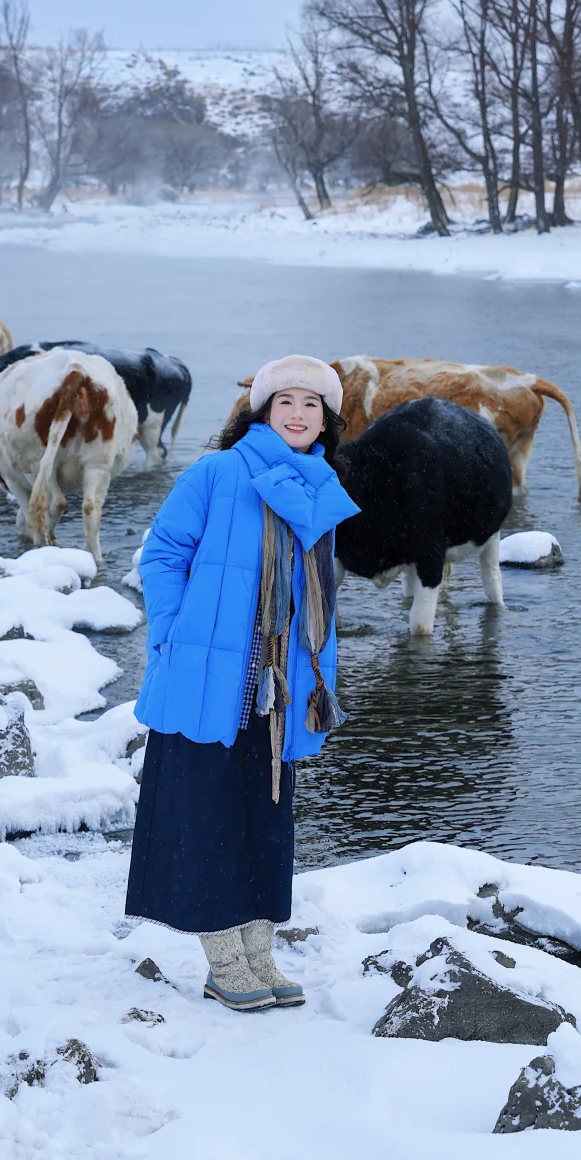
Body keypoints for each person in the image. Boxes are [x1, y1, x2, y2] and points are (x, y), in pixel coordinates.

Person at [125, 354, 360, 1011]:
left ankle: (260, 953)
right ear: (260, 411)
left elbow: (318, 599)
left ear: (325, 421)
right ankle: (224, 960)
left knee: (264, 817)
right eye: (284, 400)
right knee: (209, 819)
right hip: (208, 678)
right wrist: (173, 634)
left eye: (311, 404)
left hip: (280, 689)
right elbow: (164, 552)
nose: (296, 413)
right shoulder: (219, 471)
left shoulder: (318, 488)